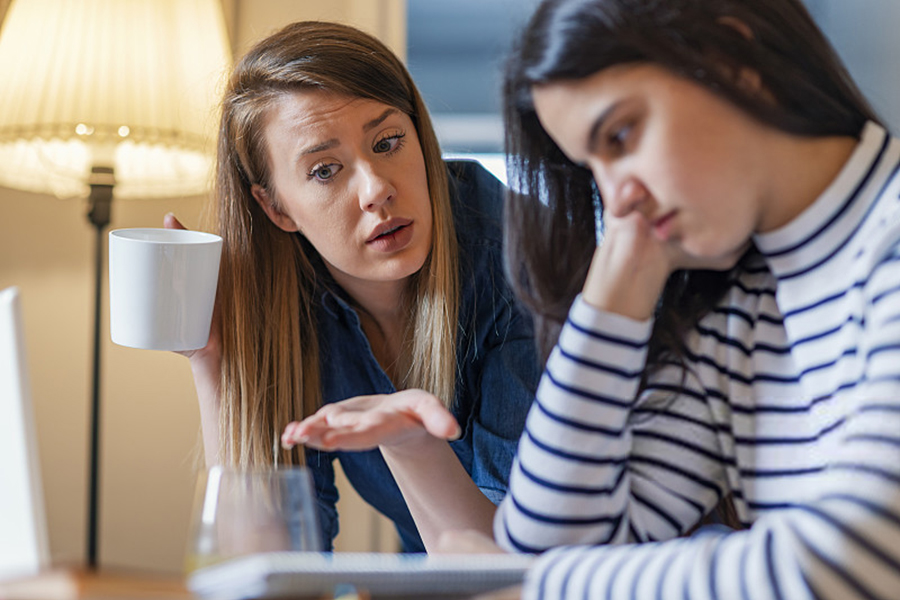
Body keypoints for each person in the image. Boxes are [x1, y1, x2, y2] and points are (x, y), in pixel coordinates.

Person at [477, 0, 900, 597]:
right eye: (591, 169)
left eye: (620, 135)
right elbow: (544, 546)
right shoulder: (736, 317)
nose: (616, 199)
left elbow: (864, 556)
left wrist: (548, 586)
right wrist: (619, 285)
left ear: (731, 60)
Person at [171, 20, 539, 553]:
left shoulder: (516, 261)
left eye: (389, 142)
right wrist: (211, 362)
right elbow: (270, 564)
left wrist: (407, 439)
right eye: (325, 171)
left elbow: (512, 564)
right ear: (275, 207)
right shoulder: (288, 305)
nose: (377, 189)